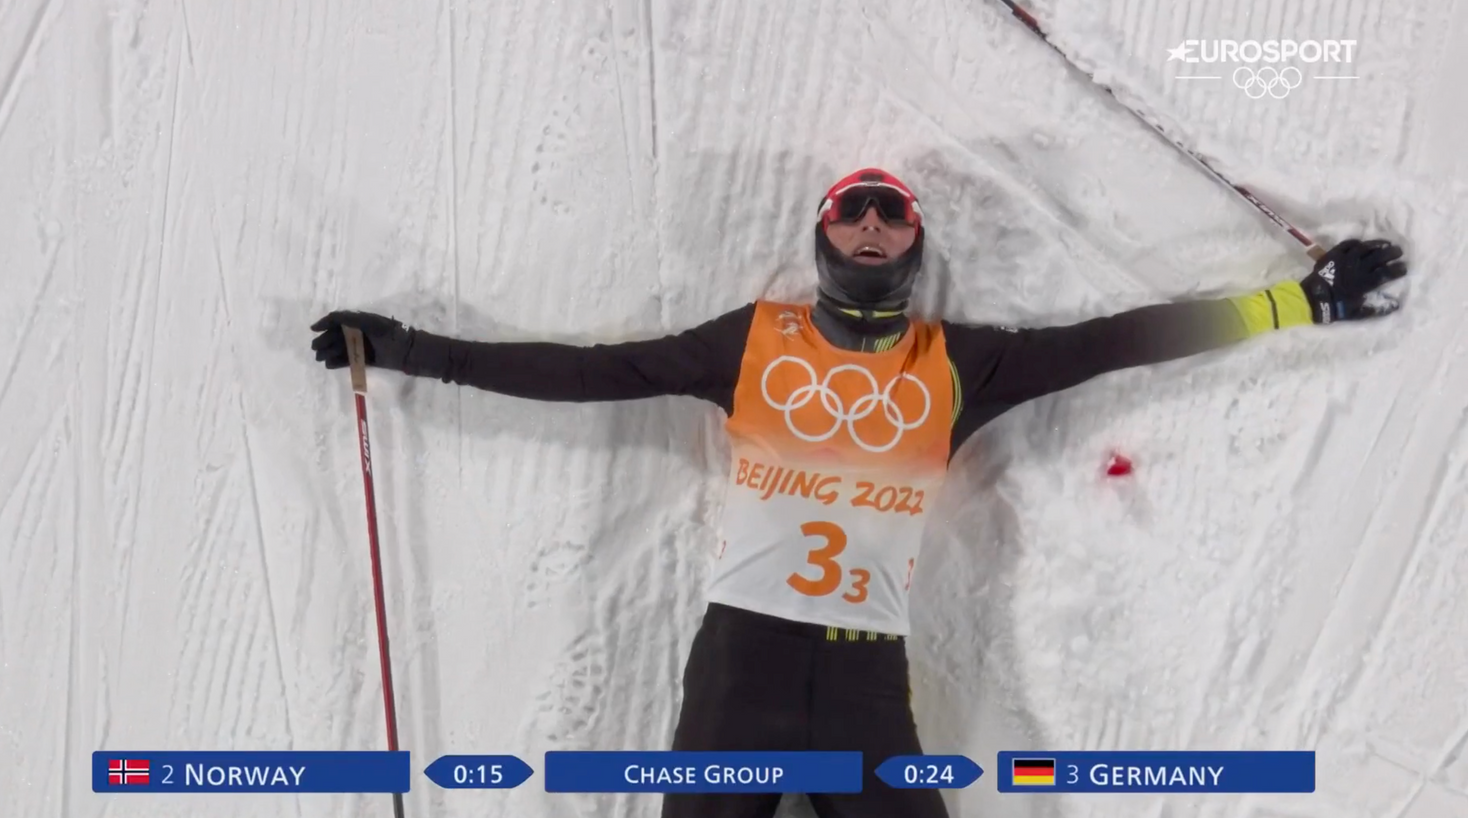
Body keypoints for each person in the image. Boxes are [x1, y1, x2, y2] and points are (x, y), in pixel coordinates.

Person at [310, 168, 1408, 817]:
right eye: (853, 212)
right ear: (823, 237)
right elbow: (594, 373)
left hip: (864, 686)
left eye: (892, 215)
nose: (873, 226)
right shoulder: (752, 341)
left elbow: (1116, 343)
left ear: (915, 243)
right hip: (739, 673)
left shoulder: (959, 363)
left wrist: (1299, 302)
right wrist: (409, 349)